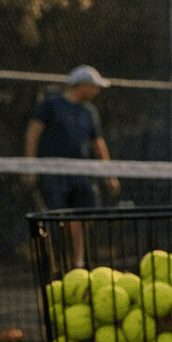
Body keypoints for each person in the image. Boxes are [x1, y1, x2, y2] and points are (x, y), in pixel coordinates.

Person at [24, 65, 120, 266]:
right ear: (83, 85)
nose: (97, 91)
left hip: (82, 174)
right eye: (94, 86)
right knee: (59, 219)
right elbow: (33, 133)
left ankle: (76, 263)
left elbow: (98, 144)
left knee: (83, 218)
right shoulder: (50, 104)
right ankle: (59, 263)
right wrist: (30, 166)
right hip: (53, 172)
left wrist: (109, 175)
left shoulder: (89, 111)